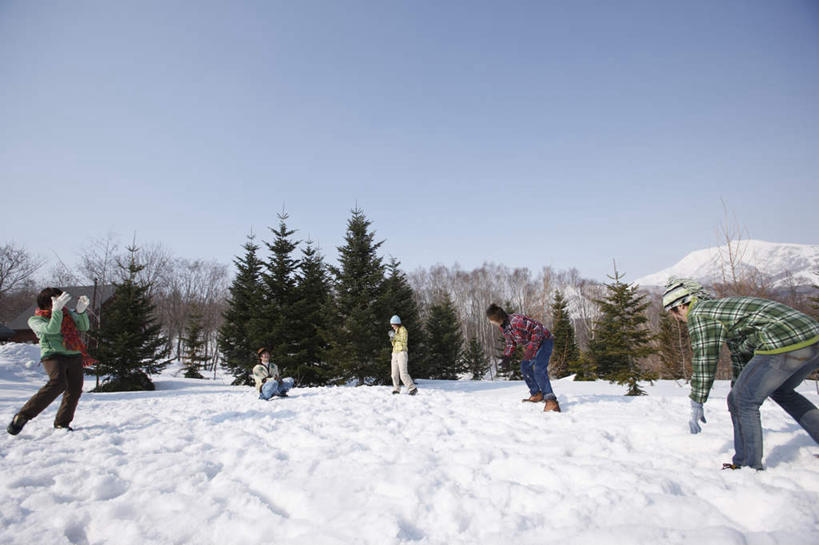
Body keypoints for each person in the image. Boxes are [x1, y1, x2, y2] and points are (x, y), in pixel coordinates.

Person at [663, 278, 819, 470]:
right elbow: (741, 358)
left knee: (743, 401)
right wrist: (737, 389)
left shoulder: (699, 313)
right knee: (780, 392)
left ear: (681, 305)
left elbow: (705, 357)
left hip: (782, 342)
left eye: (673, 312)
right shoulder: (720, 310)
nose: (676, 318)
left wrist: (697, 400)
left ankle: (747, 466)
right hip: (813, 339)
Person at [7, 288, 96, 435]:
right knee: (58, 383)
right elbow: (52, 329)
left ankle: (62, 423)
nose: (62, 304)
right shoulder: (36, 320)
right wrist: (57, 311)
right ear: (47, 303)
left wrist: (80, 312)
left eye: (61, 300)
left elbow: (84, 327)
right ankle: (23, 416)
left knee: (74, 389)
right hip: (53, 355)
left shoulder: (68, 314)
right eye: (56, 300)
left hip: (74, 355)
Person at [486, 303, 560, 412]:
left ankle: (551, 401)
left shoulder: (516, 321)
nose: (491, 322)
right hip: (533, 346)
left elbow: (537, 328)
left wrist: (531, 348)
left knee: (539, 369)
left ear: (497, 318)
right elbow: (511, 342)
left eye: (491, 320)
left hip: (545, 341)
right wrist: (506, 356)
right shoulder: (504, 327)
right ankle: (537, 393)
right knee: (525, 367)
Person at [389, 315, 417, 395]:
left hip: (402, 353)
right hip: (395, 353)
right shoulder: (395, 331)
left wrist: (394, 336)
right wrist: (392, 339)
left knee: (403, 373)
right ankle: (396, 389)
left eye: (392, 324)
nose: (392, 326)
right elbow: (394, 344)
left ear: (396, 323)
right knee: (394, 374)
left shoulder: (403, 330)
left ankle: (412, 388)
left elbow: (403, 340)